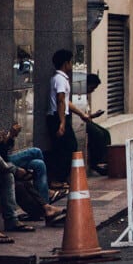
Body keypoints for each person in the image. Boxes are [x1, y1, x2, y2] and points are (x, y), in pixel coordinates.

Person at [0, 102, 66, 225]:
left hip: (0, 164)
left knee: (37, 164)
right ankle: (45, 205)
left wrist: (8, 139)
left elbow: (0, 154)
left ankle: (46, 207)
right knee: (26, 162)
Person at [47, 49, 94, 185]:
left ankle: (62, 178)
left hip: (61, 116)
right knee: (66, 147)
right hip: (58, 117)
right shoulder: (60, 79)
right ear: (65, 63)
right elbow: (61, 100)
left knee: (68, 146)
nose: (72, 65)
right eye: (71, 62)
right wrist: (62, 123)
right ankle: (58, 179)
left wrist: (82, 114)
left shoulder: (61, 79)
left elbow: (66, 102)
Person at [83, 74, 110, 176]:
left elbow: (87, 115)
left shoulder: (86, 97)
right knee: (98, 134)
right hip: (83, 122)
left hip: (88, 120)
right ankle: (95, 162)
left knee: (105, 133)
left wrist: (94, 115)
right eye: (92, 88)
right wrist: (92, 116)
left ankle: (105, 159)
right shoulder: (79, 96)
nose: (92, 91)